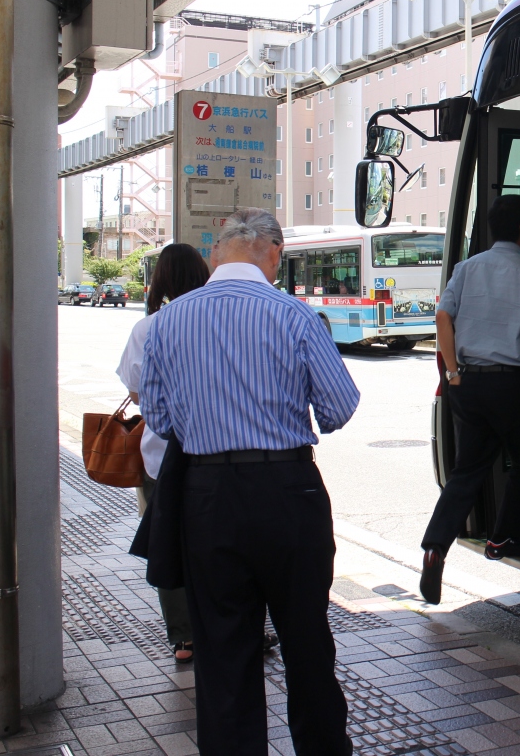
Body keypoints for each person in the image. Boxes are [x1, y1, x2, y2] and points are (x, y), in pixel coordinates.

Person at [139, 208, 360, 754]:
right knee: (307, 641)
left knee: (222, 649)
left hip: (207, 498)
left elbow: (161, 422)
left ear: (217, 253)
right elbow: (337, 409)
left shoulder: (165, 323)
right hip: (288, 491)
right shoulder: (296, 316)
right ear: (275, 254)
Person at [419, 193, 520, 605]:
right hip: (511, 384)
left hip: (467, 384)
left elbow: (442, 317)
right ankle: (503, 539)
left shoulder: (466, 268)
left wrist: (453, 372)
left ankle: (435, 548)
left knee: (467, 472)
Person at [116, 243, 210, 662]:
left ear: (160, 280)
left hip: (160, 456)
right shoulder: (216, 320)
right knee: (215, 544)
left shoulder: (149, 327)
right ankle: (227, 626)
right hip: (216, 457)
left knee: (167, 541)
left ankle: (185, 638)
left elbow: (137, 392)